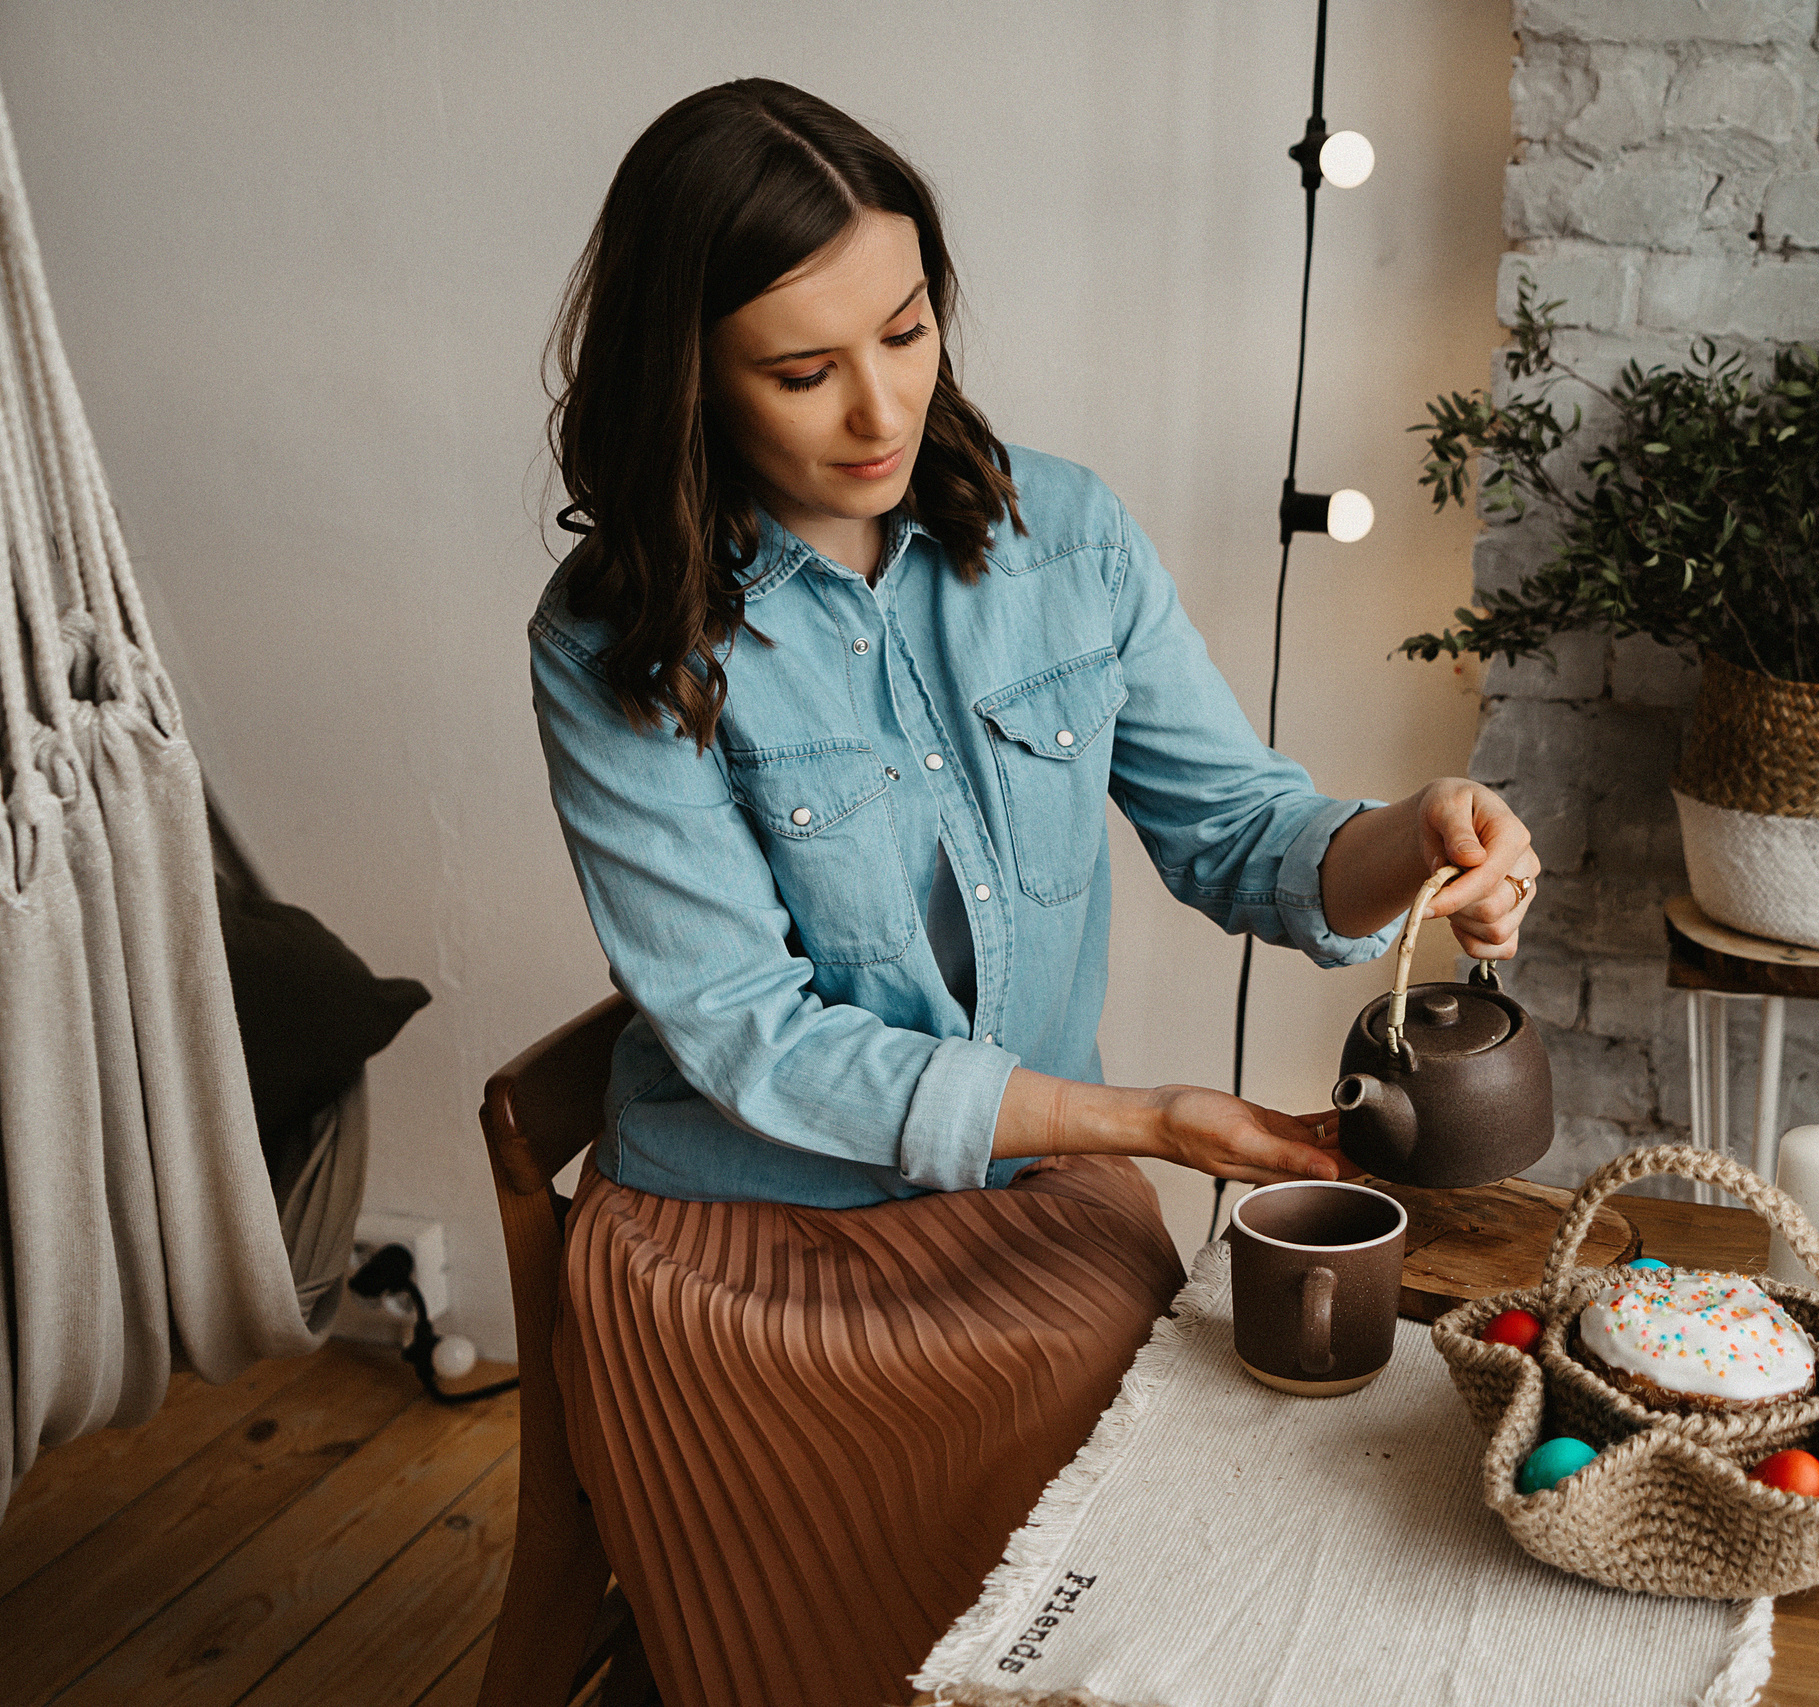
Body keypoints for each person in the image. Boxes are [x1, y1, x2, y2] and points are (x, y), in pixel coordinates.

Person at [529, 80, 1538, 1707]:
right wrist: (1139, 1121)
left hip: (1015, 1197)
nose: (881, 409)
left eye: (910, 331)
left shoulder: (1062, 535)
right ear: (689, 381)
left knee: (1216, 1426)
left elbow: (1243, 834)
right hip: (748, 1239)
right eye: (803, 370)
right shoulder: (613, 644)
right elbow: (753, 1043)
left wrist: (1415, 833)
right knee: (1106, 1443)